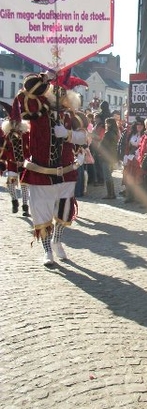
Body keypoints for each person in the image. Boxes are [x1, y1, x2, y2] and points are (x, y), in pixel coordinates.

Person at [11, 70, 88, 268]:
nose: (60, 97)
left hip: (66, 171)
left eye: (64, 95)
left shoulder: (73, 117)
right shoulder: (36, 111)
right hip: (40, 172)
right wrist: (43, 78)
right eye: (57, 93)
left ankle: (57, 240)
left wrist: (67, 134)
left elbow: (84, 138)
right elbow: (24, 94)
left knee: (64, 213)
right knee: (42, 213)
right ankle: (47, 250)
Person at [0, 102, 31, 216]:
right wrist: (2, 162)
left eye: (16, 122)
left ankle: (25, 207)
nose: (14, 124)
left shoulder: (25, 135)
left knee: (24, 186)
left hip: (24, 164)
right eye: (12, 122)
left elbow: (30, 148)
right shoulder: (6, 135)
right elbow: (3, 149)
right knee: (10, 184)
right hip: (12, 163)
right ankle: (14, 201)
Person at [119, 117, 145, 203]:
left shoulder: (144, 135)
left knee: (138, 179)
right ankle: (129, 196)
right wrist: (126, 155)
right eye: (138, 124)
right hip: (130, 158)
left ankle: (139, 198)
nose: (139, 126)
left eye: (141, 124)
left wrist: (138, 153)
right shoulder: (132, 134)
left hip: (138, 159)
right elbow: (127, 146)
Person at [98, 117, 120, 200]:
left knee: (107, 176)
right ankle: (112, 193)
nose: (106, 124)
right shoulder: (114, 132)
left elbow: (103, 145)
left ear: (110, 124)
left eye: (107, 123)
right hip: (112, 157)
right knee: (109, 175)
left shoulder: (108, 133)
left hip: (106, 157)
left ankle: (110, 194)